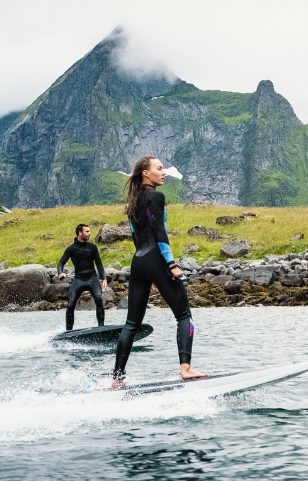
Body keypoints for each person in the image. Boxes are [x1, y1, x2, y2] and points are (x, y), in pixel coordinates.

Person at [113, 156, 206, 387]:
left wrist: (150, 271)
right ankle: (186, 369)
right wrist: (170, 265)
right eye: (159, 168)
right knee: (184, 316)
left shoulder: (132, 202)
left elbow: (137, 238)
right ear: (146, 173)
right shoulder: (156, 197)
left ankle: (117, 378)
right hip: (156, 258)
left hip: (139, 262)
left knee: (131, 324)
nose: (164, 173)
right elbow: (160, 233)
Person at [57, 224, 107, 330]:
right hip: (78, 279)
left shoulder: (92, 247)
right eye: (87, 231)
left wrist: (104, 278)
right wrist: (60, 272)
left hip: (92, 278)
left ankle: (101, 328)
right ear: (80, 233)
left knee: (99, 298)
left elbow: (99, 264)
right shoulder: (71, 249)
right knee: (70, 305)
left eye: (89, 231)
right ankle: (69, 331)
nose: (89, 233)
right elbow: (61, 262)